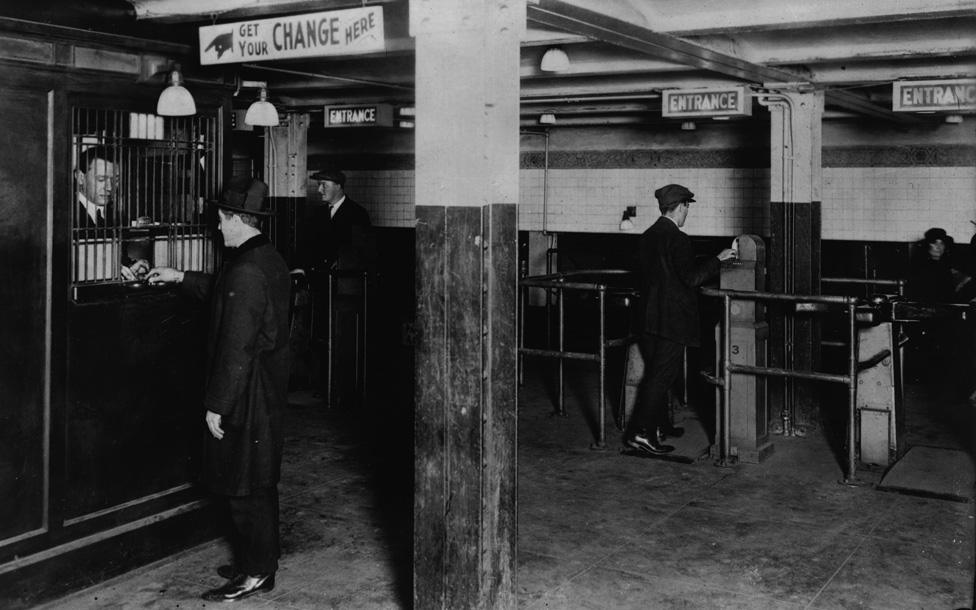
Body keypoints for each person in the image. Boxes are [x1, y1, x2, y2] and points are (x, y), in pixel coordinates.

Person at [147, 176, 291, 602]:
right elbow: (225, 294)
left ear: (236, 220)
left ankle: (255, 573)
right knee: (258, 481)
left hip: (244, 394)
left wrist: (217, 405)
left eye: (221, 220)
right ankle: (259, 560)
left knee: (243, 486)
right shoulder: (268, 259)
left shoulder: (246, 270)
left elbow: (235, 347)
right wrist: (180, 276)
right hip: (264, 390)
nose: (217, 228)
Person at [624, 184, 736, 455]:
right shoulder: (679, 239)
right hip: (671, 322)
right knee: (661, 377)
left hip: (648, 319)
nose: (687, 213)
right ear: (680, 207)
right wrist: (718, 259)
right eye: (687, 207)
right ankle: (641, 433)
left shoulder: (648, 236)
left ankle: (659, 426)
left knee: (658, 373)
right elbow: (692, 278)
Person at [294, 168, 375, 405]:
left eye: (324, 185)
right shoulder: (318, 215)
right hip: (320, 286)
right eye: (319, 185)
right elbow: (307, 247)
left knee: (342, 336)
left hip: (344, 291)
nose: (319, 190)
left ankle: (342, 386)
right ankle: (321, 384)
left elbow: (361, 254)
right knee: (319, 333)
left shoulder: (358, 214)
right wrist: (301, 267)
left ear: (339, 186)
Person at [74, 146, 149, 280]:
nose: (110, 187)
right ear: (80, 177)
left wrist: (131, 266)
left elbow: (118, 259)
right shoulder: (64, 216)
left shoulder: (117, 218)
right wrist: (112, 269)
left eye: (115, 180)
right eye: (101, 180)